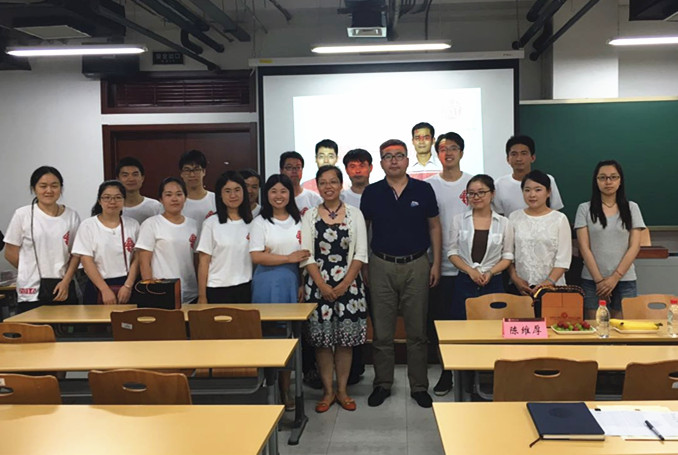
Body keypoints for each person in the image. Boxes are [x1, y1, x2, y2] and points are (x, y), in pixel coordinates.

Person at [361, 139, 442, 408]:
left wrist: (435, 263)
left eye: (399, 155)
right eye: (388, 156)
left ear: (408, 160)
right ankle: (382, 383)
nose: (394, 160)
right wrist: (364, 264)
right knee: (382, 332)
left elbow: (434, 226)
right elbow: (364, 230)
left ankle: (419, 386)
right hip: (380, 264)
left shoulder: (423, 189)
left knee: (417, 332)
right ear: (381, 163)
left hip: (417, 264)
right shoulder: (372, 192)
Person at [300, 165, 368, 413]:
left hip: (349, 287)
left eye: (333, 182)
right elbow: (306, 255)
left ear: (341, 185)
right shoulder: (309, 216)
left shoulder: (354, 214)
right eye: (323, 182)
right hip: (318, 286)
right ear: (317, 186)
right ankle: (328, 392)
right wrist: (322, 285)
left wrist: (343, 285)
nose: (328, 187)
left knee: (345, 342)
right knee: (322, 342)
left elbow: (360, 253)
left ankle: (342, 390)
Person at [249, 173, 310, 410]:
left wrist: (302, 282)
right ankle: (270, 389)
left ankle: (286, 389)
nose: (278, 196)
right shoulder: (260, 222)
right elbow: (257, 256)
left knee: (290, 338)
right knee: (269, 336)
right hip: (267, 282)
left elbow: (304, 254)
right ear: (266, 195)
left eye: (283, 191)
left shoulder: (299, 220)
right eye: (273, 191)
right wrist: (287, 258)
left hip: (292, 281)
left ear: (290, 194)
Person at [424, 132, 472, 396]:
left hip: (471, 268)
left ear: (461, 152)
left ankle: (470, 370)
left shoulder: (473, 183)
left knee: (468, 324)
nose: (448, 153)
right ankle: (446, 371)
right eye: (443, 149)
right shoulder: (428, 186)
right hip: (438, 266)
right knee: (440, 323)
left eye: (453, 148)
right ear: (437, 154)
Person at [4, 166, 80, 312]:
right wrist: (28, 271)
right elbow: (10, 253)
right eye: (43, 186)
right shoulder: (22, 214)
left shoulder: (72, 216)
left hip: (63, 286)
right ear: (34, 188)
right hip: (31, 290)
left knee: (66, 325)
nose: (49, 190)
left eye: (54, 186)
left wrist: (66, 280)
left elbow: (76, 254)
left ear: (61, 188)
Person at [575, 160, 645, 319]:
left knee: (622, 330)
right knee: (595, 329)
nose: (608, 182)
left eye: (613, 177)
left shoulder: (632, 208)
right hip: (592, 280)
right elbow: (584, 247)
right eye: (603, 177)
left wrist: (614, 278)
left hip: (624, 279)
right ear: (596, 181)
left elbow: (634, 246)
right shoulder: (584, 209)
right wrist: (600, 281)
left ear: (620, 181)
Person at [448, 175, 513, 314]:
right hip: (465, 280)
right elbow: (452, 253)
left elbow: (507, 256)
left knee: (493, 323)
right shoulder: (458, 220)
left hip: (493, 281)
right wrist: (470, 271)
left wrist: (490, 272)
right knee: (462, 322)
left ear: (492, 194)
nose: (476, 197)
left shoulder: (504, 223)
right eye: (471, 193)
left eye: (481, 192)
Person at [72, 181, 140, 304]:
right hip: (97, 285)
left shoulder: (133, 225)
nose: (112, 202)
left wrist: (128, 285)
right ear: (99, 201)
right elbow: (86, 260)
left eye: (117, 197)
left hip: (127, 286)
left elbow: (137, 258)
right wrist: (104, 289)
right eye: (107, 197)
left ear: (124, 200)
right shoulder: (88, 225)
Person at [136, 177, 200, 303]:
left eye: (179, 194)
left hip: (191, 291)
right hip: (162, 291)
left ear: (185, 198)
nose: (174, 199)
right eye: (168, 195)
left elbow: (197, 260)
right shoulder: (151, 224)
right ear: (161, 199)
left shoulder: (194, 225)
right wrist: (150, 290)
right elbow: (144, 262)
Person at [508, 170, 571, 295]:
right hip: (521, 288)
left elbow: (563, 259)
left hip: (553, 288)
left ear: (548, 192)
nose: (532, 195)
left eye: (538, 190)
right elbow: (508, 254)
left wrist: (548, 282)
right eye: (527, 190)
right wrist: (515, 279)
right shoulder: (514, 217)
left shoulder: (559, 219)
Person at [197, 171, 254, 303]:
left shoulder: (252, 223)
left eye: (237, 190)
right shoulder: (211, 223)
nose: (233, 195)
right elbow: (203, 263)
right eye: (227, 191)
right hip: (217, 289)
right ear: (220, 195)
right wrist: (202, 296)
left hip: (245, 287)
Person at [493, 135, 564, 216]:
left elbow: (556, 212)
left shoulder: (547, 179)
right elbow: (499, 216)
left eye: (524, 153)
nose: (519, 158)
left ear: (533, 158)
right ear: (508, 159)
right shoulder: (499, 184)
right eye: (514, 154)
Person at [116, 157, 163, 224]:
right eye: (125, 175)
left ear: (142, 178)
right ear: (118, 179)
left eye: (135, 174)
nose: (131, 179)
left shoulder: (155, 207)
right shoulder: (113, 207)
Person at [280, 151, 322, 216]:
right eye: (289, 167)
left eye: (298, 167)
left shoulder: (314, 198)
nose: (294, 171)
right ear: (281, 171)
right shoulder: (276, 198)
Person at [179, 149, 216, 222]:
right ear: (181, 174)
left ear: (204, 172)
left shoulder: (215, 199)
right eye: (187, 170)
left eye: (196, 169)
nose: (192, 175)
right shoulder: (176, 201)